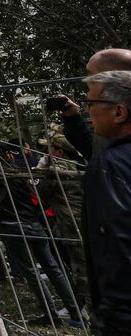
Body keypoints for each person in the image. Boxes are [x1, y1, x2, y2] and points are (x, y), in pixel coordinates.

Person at [61, 66, 131, 335]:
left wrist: (115, 318)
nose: (87, 109)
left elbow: (117, 244)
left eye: (91, 102)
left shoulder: (110, 167)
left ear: (119, 112)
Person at [0, 142, 81, 327]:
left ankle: (51, 316)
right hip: (33, 224)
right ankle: (75, 311)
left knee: (32, 272)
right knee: (53, 268)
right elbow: (39, 197)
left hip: (12, 227)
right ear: (10, 156)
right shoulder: (22, 172)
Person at [36, 135, 87, 310]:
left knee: (81, 269)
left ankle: (89, 306)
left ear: (59, 152)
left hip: (71, 224)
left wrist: (41, 169)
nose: (46, 152)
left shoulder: (57, 171)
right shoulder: (81, 165)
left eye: (49, 149)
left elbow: (39, 193)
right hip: (84, 221)